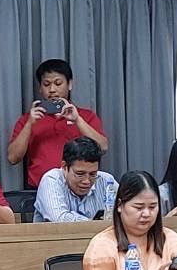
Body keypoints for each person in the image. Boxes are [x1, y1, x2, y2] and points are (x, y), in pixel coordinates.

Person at [83, 171, 177, 270]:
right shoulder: (103, 242)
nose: (146, 214)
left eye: (152, 207)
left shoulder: (169, 237)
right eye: (139, 207)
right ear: (119, 205)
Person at [6, 58, 109, 188]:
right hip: (39, 190)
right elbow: (13, 158)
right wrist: (29, 124)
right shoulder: (28, 119)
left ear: (69, 84)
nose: (52, 89)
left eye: (58, 83)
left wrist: (77, 120)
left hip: (80, 189)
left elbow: (103, 147)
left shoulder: (86, 116)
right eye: (46, 84)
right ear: (40, 88)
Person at [33, 137, 117, 223]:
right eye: (80, 174)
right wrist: (97, 224)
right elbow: (60, 219)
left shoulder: (107, 181)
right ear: (64, 166)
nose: (87, 181)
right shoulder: (51, 180)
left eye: (92, 174)